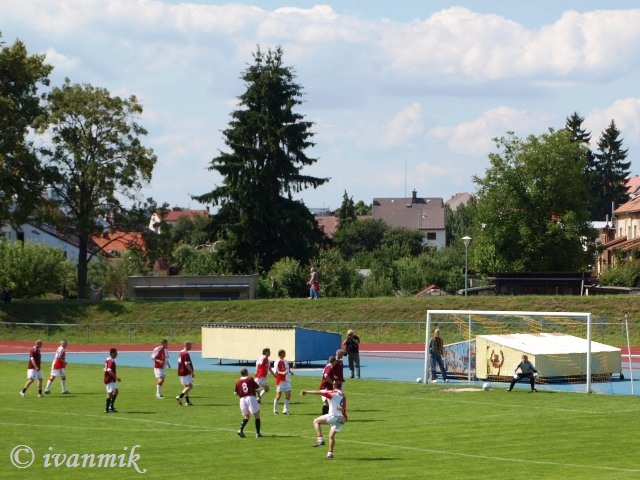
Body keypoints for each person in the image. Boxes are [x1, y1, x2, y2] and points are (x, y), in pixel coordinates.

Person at [300, 387, 348, 459]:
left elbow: (320, 392)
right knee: (331, 436)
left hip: (334, 416)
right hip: (342, 419)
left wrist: (306, 391)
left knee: (316, 421)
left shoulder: (333, 394)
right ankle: (330, 453)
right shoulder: (343, 397)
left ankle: (320, 440)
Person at [235, 367, 263, 438]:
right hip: (250, 398)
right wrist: (259, 396)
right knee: (257, 415)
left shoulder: (238, 381)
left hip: (242, 399)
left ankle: (240, 429)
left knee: (246, 416)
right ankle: (257, 433)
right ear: (247, 372)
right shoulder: (250, 379)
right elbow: (257, 388)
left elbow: (236, 393)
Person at [273, 349, 293, 415]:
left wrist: (290, 372)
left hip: (287, 380)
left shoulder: (286, 361)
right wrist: (282, 373)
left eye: (285, 353)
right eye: (283, 353)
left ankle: (285, 410)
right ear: (280, 354)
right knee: (278, 395)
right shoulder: (277, 361)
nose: (284, 354)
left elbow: (287, 369)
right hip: (280, 381)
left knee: (288, 395)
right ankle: (275, 410)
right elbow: (276, 371)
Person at [176, 341, 195, 406]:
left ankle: (187, 401)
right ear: (187, 345)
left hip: (180, 372)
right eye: (190, 345)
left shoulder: (181, 353)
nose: (191, 346)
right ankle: (180, 397)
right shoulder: (186, 354)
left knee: (186, 387)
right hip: (185, 372)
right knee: (190, 386)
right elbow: (186, 363)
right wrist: (191, 372)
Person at [103, 348, 121, 413]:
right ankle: (107, 409)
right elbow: (109, 369)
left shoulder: (108, 359)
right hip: (109, 379)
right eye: (116, 353)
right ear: (112, 353)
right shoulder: (111, 361)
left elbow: (105, 368)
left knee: (116, 391)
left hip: (110, 379)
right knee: (109, 393)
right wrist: (116, 377)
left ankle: (111, 407)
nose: (117, 354)